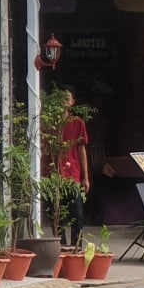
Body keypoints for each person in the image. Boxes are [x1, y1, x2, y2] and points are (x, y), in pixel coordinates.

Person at [55, 87, 90, 244]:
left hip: (72, 174)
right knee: (56, 214)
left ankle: (77, 246)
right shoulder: (48, 123)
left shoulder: (78, 123)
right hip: (54, 174)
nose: (63, 101)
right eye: (60, 98)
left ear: (72, 102)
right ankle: (60, 246)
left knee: (77, 213)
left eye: (67, 98)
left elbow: (82, 149)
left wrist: (85, 177)